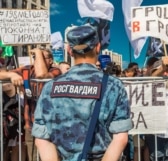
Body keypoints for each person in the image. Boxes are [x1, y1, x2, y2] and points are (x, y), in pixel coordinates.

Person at [32, 23, 133, 161]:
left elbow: (42, 140)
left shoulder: (50, 87)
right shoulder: (113, 85)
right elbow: (120, 139)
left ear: (69, 50)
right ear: (98, 47)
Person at [0, 48, 62, 161]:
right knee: (33, 156)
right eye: (35, 57)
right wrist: (11, 75)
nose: (37, 60)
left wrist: (38, 51)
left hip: (50, 124)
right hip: (31, 123)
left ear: (51, 61)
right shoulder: (27, 70)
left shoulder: (56, 71)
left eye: (42, 58)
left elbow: (42, 75)